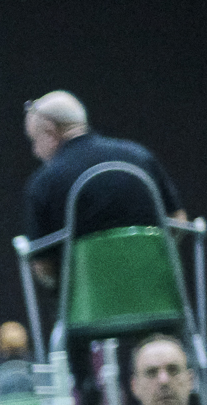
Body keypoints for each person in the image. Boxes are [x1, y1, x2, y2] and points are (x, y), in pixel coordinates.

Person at [21, 90, 187, 290]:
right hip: (157, 294)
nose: (35, 151)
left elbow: (43, 267)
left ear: (50, 132)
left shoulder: (44, 182)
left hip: (89, 305)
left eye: (34, 140)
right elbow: (178, 220)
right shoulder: (140, 157)